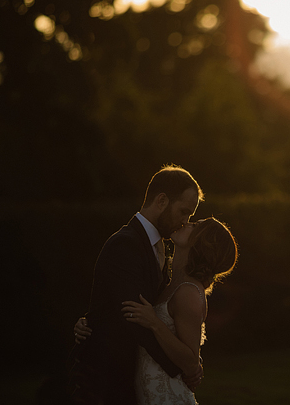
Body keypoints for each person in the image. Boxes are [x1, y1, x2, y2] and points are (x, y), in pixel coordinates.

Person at [70, 165, 204, 405]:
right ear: (161, 200)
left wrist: (188, 359)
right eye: (184, 212)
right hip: (108, 379)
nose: (185, 222)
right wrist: (183, 367)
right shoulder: (126, 244)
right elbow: (132, 316)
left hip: (133, 376)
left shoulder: (159, 246)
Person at [76, 217, 238, 405]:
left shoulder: (189, 292)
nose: (186, 223)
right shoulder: (169, 283)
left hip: (167, 396)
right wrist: (89, 322)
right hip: (143, 392)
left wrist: (154, 322)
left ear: (201, 243)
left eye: (194, 225)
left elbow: (191, 362)